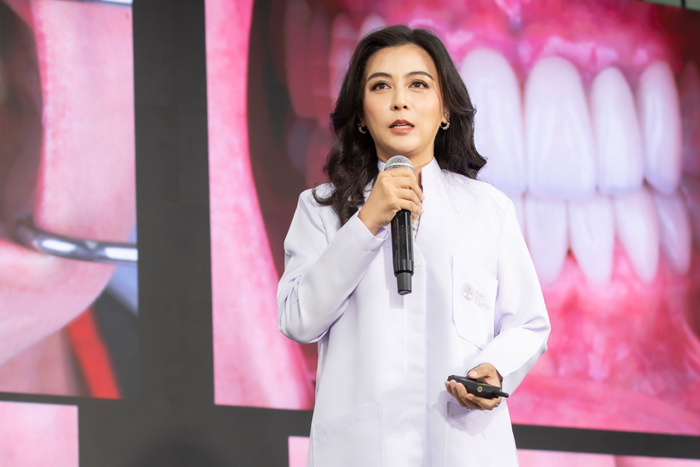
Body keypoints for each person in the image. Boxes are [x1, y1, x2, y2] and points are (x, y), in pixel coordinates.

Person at [277, 25, 550, 466]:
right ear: (361, 115)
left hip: (462, 449)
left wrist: (495, 368)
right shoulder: (321, 209)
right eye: (381, 86)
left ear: (445, 110)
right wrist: (367, 221)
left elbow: (529, 323)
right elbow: (298, 319)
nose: (400, 101)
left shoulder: (488, 209)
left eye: (418, 85)